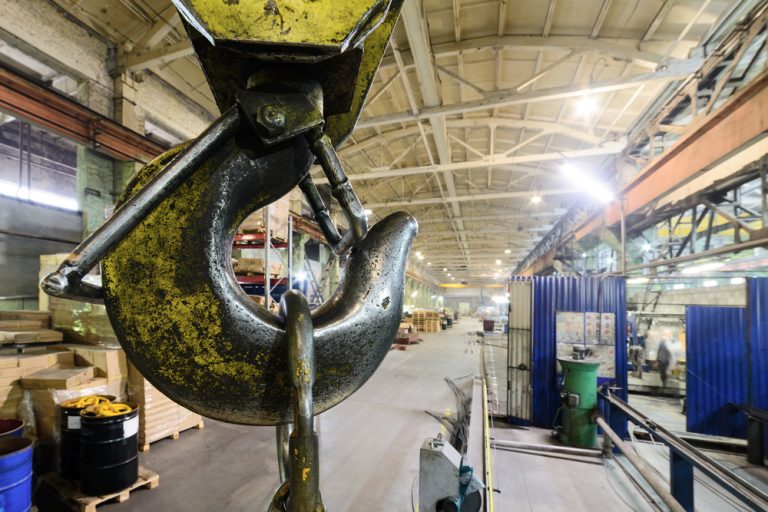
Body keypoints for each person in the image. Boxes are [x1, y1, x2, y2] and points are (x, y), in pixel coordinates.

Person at [656, 329, 674, 393]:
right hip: (662, 359)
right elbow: (659, 350)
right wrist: (657, 359)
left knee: (666, 372)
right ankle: (664, 385)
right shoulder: (662, 341)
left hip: (667, 359)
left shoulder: (671, 341)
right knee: (663, 373)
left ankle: (665, 385)